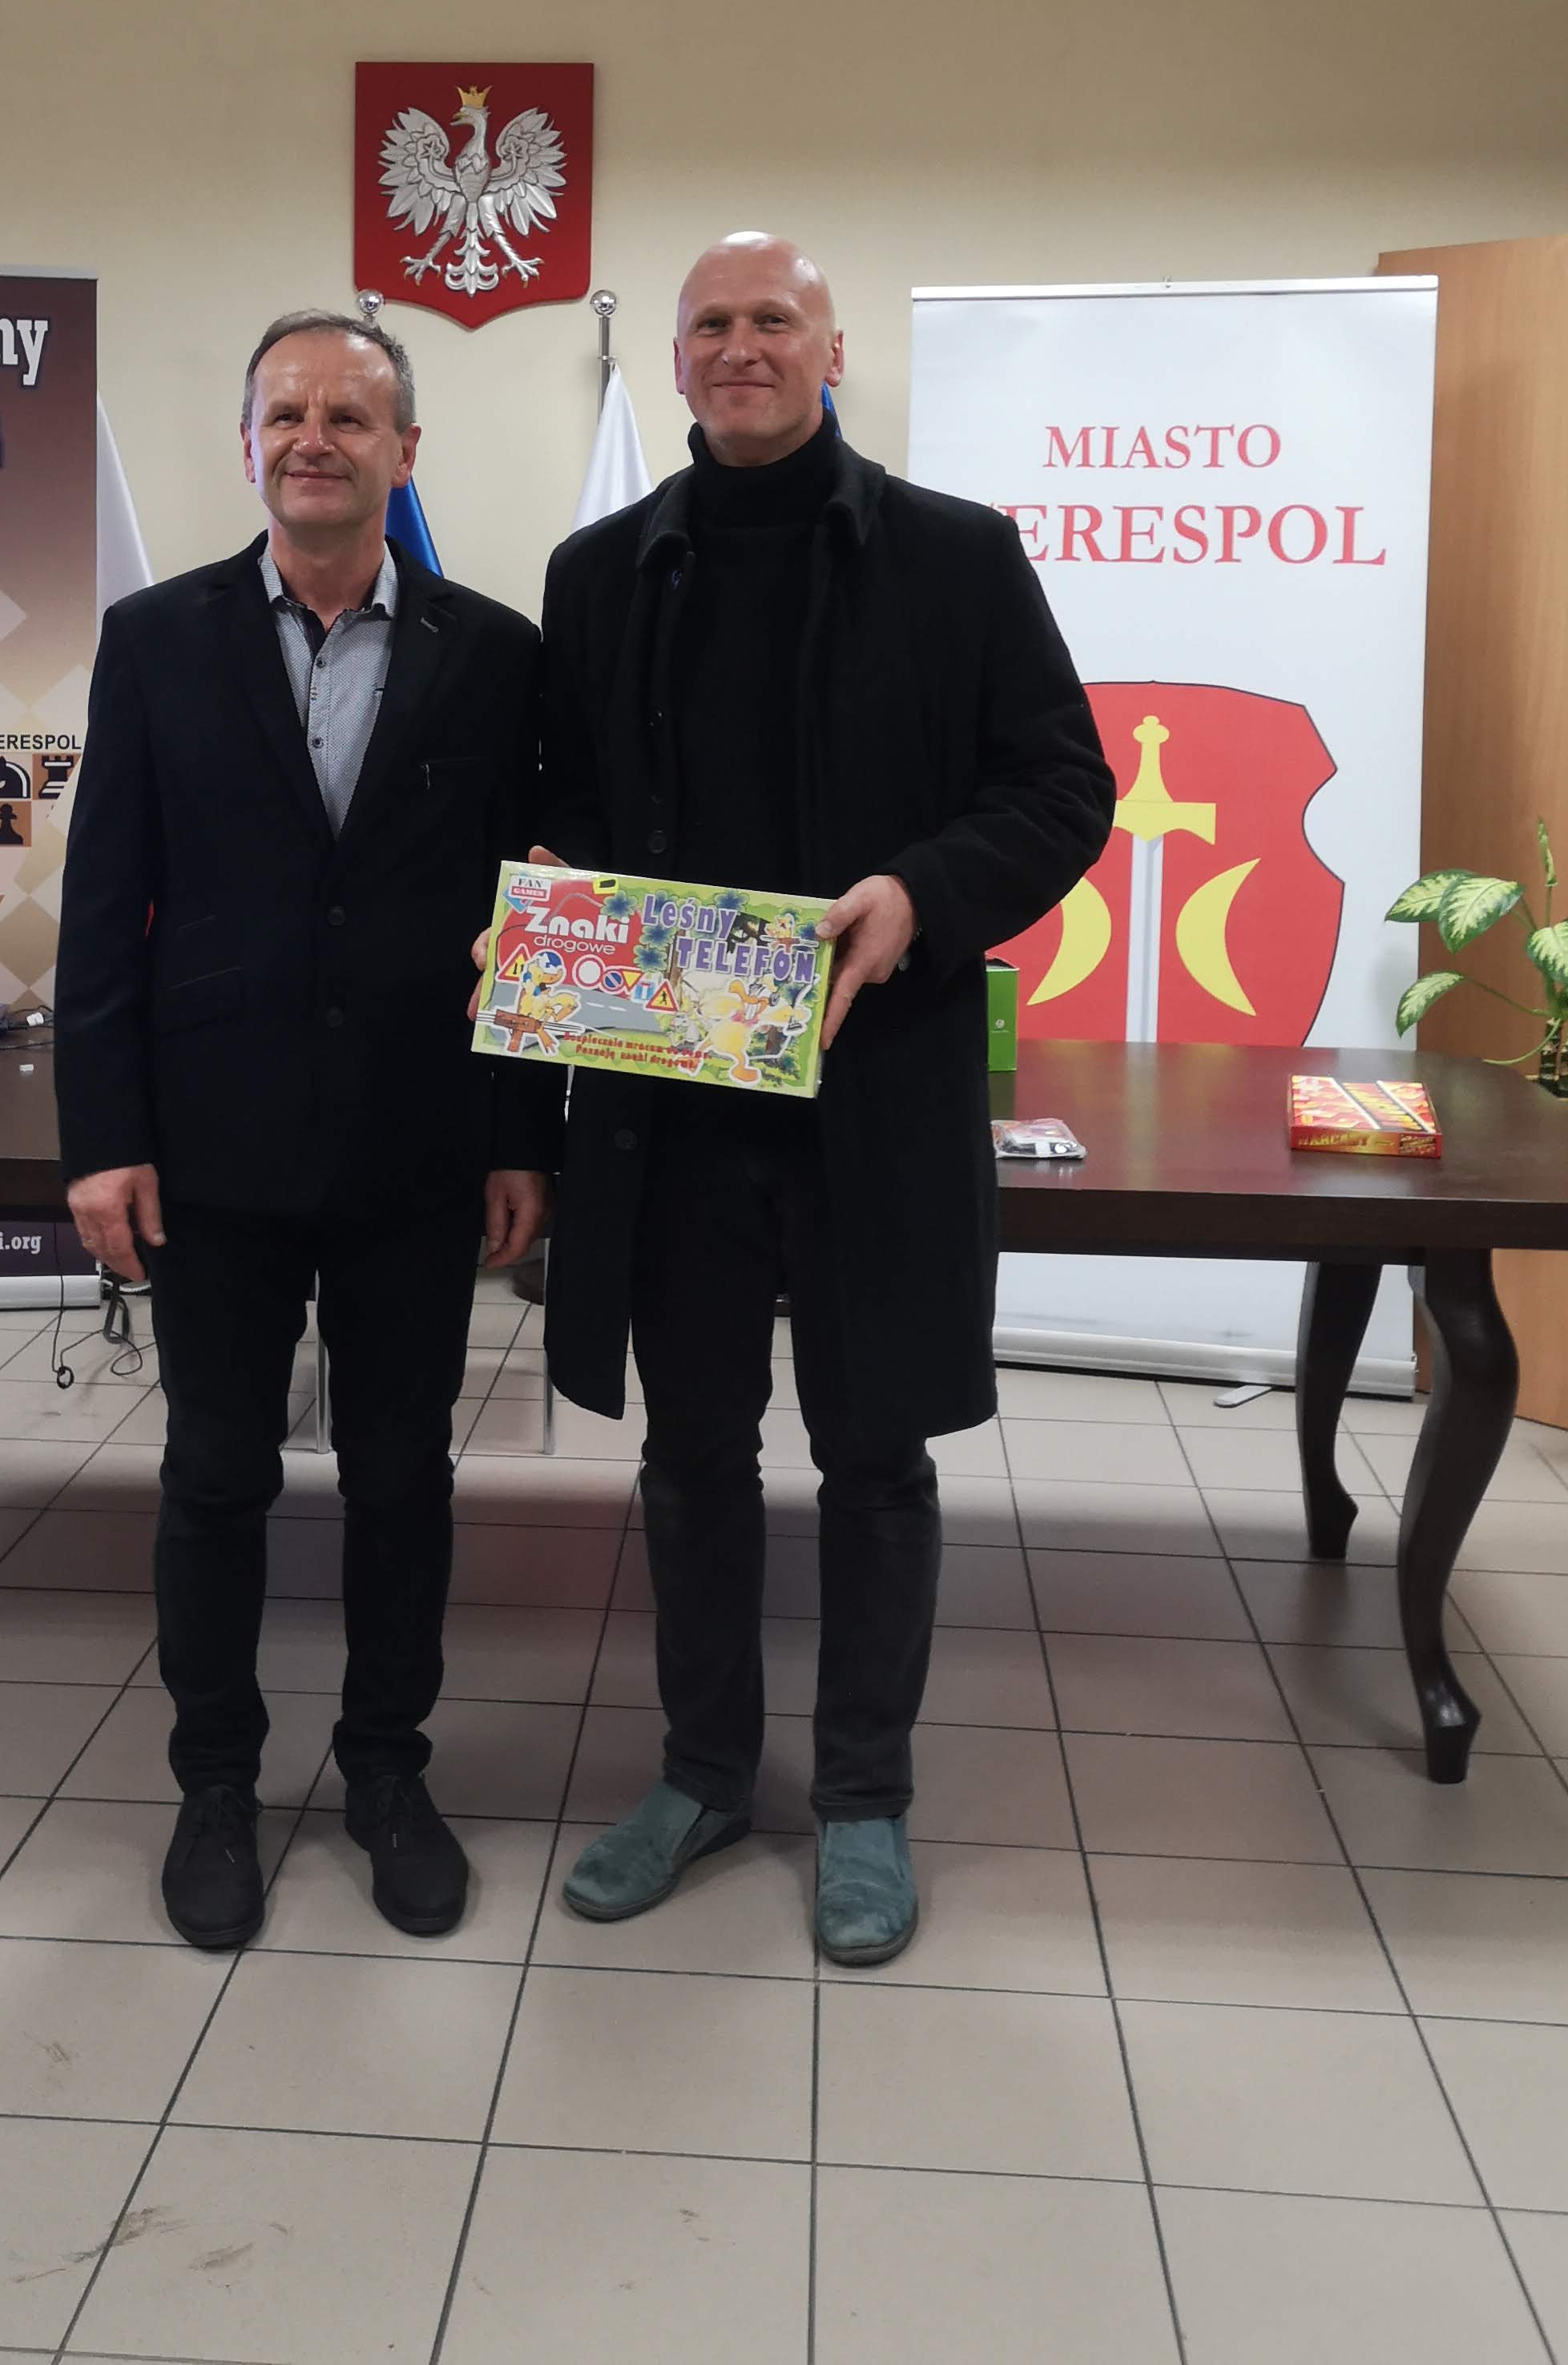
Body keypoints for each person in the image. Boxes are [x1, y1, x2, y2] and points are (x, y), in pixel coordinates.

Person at [535, 236, 1113, 1964]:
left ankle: (863, 1796)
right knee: (692, 1454)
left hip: (877, 1089)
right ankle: (705, 1771)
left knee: (874, 1454)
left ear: (831, 349)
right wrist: (559, 896)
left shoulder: (956, 555)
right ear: (679, 361)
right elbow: (566, 802)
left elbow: (1062, 786)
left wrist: (922, 892)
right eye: (709, 323)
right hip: (675, 1094)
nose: (739, 346)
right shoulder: (598, 571)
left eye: (771, 319)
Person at [58, 308, 552, 1951]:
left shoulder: (498, 652)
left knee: (403, 1475)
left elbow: (529, 916)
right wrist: (101, 1134)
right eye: (287, 413)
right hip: (213, 1145)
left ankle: (387, 1771)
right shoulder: (156, 638)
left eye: (351, 415)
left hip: (420, 1142)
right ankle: (216, 1783)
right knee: (216, 1473)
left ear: (406, 449)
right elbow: (104, 903)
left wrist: (521, 1132)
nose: (315, 439)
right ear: (249, 443)